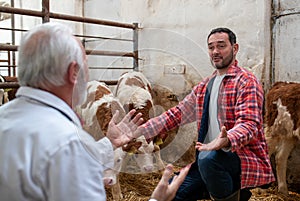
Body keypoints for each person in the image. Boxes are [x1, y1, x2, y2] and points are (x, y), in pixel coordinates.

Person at [0, 22, 190, 201]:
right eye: (86, 66)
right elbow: (70, 155)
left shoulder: (5, 117)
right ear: (73, 72)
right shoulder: (68, 141)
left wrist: (109, 143)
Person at [135, 27, 275, 201]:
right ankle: (229, 190)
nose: (215, 51)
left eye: (221, 46)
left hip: (240, 157)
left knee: (209, 158)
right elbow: (176, 114)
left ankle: (233, 193)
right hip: (205, 161)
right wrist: (139, 132)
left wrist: (227, 139)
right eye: (211, 47)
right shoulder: (205, 86)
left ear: (235, 48)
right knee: (169, 193)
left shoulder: (246, 81)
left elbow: (250, 123)